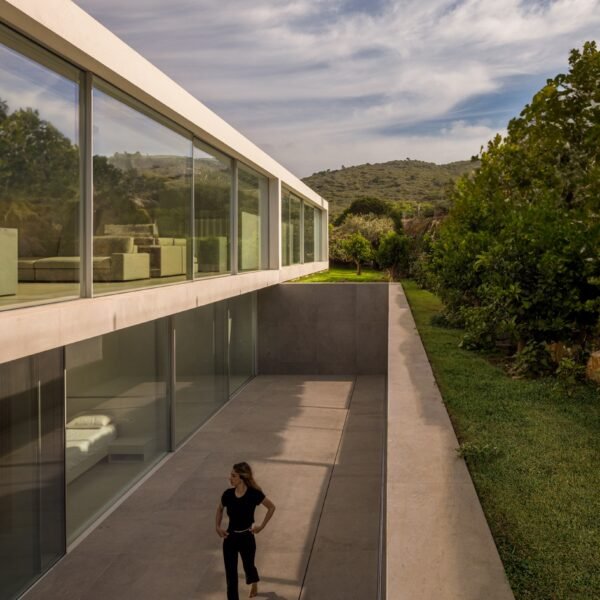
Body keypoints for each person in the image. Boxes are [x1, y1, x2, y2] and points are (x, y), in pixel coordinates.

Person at [216, 462, 276, 600]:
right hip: (230, 538)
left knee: (249, 567)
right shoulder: (228, 494)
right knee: (231, 577)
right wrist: (217, 527)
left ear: (242, 478)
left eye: (233, 475)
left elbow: (271, 507)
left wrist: (261, 526)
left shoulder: (254, 494)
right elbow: (219, 509)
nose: (229, 478)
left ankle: (254, 583)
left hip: (247, 538)